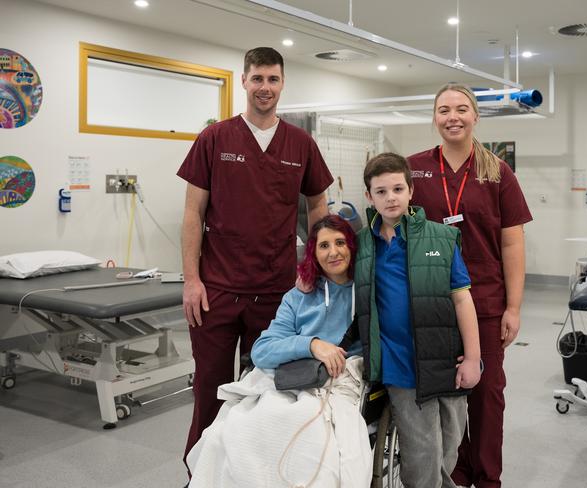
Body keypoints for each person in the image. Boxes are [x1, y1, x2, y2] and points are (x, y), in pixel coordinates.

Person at [176, 46, 333, 472]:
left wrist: (315, 268)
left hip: (275, 293)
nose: (265, 88)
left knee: (267, 389)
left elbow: (318, 206)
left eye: (273, 79)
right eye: (258, 79)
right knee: (209, 388)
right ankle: (198, 474)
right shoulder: (215, 138)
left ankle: (252, 475)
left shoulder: (300, 143)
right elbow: (193, 213)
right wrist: (191, 280)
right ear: (243, 81)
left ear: (283, 84)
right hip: (216, 290)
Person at [185, 215, 371, 488]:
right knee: (228, 432)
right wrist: (311, 344)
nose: (333, 252)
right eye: (324, 245)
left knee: (309, 441)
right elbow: (262, 350)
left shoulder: (367, 292)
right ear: (313, 253)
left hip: (335, 384)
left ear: (352, 247)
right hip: (289, 380)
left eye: (340, 242)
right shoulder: (298, 297)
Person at [408, 83, 533, 488]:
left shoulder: (498, 171)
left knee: (486, 394)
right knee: (444, 393)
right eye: (444, 109)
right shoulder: (414, 169)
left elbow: (512, 242)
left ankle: (486, 478)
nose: (453, 117)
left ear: (476, 116)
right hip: (430, 303)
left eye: (462, 109)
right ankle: (454, 473)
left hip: (484, 302)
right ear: (434, 117)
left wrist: (513, 307)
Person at [355, 152, 482, 488]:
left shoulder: (442, 238)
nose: (390, 197)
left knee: (450, 444)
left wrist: (472, 358)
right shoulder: (363, 245)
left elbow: (462, 298)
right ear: (369, 196)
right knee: (422, 449)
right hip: (399, 363)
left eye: (397, 189)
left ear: (411, 190)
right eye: (380, 191)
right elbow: (332, 271)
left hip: (444, 357)